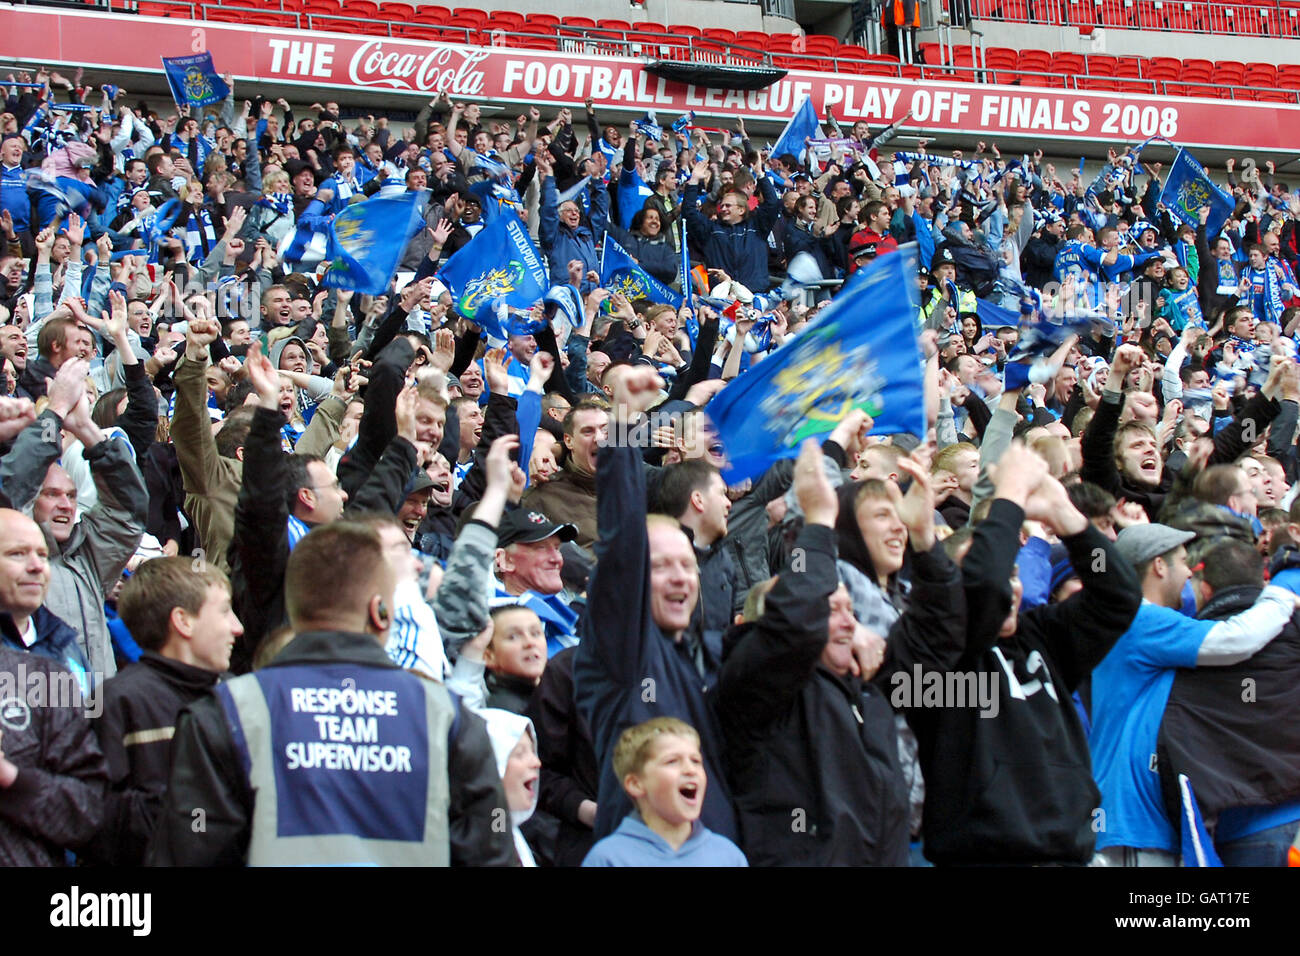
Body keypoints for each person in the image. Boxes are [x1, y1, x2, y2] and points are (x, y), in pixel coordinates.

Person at [147, 521, 516, 866]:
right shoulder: (447, 716)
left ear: (295, 607)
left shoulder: (225, 713)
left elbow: (187, 853)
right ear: (381, 611)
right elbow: (490, 851)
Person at [716, 441, 967, 866]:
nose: (852, 624)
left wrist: (926, 541)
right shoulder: (761, 685)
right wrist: (817, 521)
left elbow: (937, 644)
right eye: (831, 609)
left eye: (850, 610)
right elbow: (794, 624)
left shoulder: (867, 687)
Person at [917, 443, 1142, 865]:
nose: (1011, 584)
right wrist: (1009, 496)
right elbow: (985, 591)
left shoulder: (1041, 637)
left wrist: (1072, 523)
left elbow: (1119, 595)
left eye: (1016, 573)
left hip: (1073, 851)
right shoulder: (934, 652)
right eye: (1002, 572)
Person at [575, 366, 738, 842]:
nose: (681, 577)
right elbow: (622, 547)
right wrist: (624, 424)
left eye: (687, 566)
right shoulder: (621, 654)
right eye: (662, 566)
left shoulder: (702, 652)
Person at [1090, 526, 1299, 866]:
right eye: (1184, 562)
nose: (1189, 572)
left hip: (1143, 816)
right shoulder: (1135, 618)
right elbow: (1233, 639)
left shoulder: (1148, 620)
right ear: (1159, 566)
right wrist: (1279, 597)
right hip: (1127, 815)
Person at [86, 556, 242, 865]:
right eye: (225, 611)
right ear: (183, 621)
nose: (238, 627)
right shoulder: (118, 701)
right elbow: (97, 819)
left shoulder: (238, 693)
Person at [581, 717, 746, 867]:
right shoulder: (608, 858)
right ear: (635, 784)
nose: (690, 770)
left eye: (696, 761)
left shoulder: (728, 856)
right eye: (672, 761)